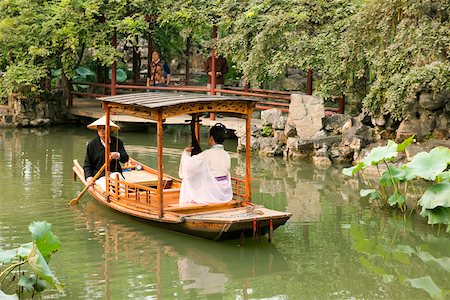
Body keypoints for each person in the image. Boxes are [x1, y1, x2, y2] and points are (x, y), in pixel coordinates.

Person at [178, 124, 232, 204]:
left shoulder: (206, 154)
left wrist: (185, 153)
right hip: (224, 191)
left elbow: (189, 166)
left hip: (211, 191)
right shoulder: (226, 154)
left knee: (187, 180)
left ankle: (188, 204)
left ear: (211, 138)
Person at [83, 116, 129, 191]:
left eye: (104, 128)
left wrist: (117, 155)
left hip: (114, 172)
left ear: (109, 129)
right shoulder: (92, 144)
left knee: (122, 188)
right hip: (99, 176)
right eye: (99, 128)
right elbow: (87, 165)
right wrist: (89, 178)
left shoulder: (117, 142)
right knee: (107, 190)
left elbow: (125, 158)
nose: (101, 131)